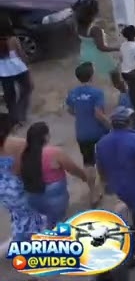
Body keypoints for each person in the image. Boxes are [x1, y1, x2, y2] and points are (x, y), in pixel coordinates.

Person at [96, 107, 135, 240]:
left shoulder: (102, 143)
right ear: (129, 121)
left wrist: (105, 181)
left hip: (117, 186)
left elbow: (100, 166)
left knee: (129, 209)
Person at [19, 121, 92, 225]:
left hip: (32, 199)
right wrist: (84, 176)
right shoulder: (54, 153)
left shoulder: (25, 154)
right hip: (54, 199)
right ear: (45, 137)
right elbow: (72, 168)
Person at [0, 112, 45, 242]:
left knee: (18, 216)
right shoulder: (20, 144)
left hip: (3, 190)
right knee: (31, 218)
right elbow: (22, 169)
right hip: (17, 188)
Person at [65, 62, 107, 180]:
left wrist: (81, 115)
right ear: (92, 75)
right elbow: (98, 114)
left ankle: (92, 189)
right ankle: (103, 184)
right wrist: (110, 125)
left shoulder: (72, 93)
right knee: (103, 159)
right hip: (98, 132)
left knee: (88, 163)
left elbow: (70, 110)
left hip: (82, 133)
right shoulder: (97, 93)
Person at [77, 0, 124, 92]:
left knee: (91, 76)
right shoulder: (95, 29)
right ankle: (124, 92)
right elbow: (101, 47)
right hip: (98, 55)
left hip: (85, 53)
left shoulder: (79, 25)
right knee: (114, 74)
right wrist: (117, 48)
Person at [0, 18, 31, 126]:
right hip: (19, 69)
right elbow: (21, 54)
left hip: (3, 73)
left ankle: (14, 118)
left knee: (9, 96)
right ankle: (21, 115)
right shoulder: (13, 39)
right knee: (27, 89)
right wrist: (27, 65)